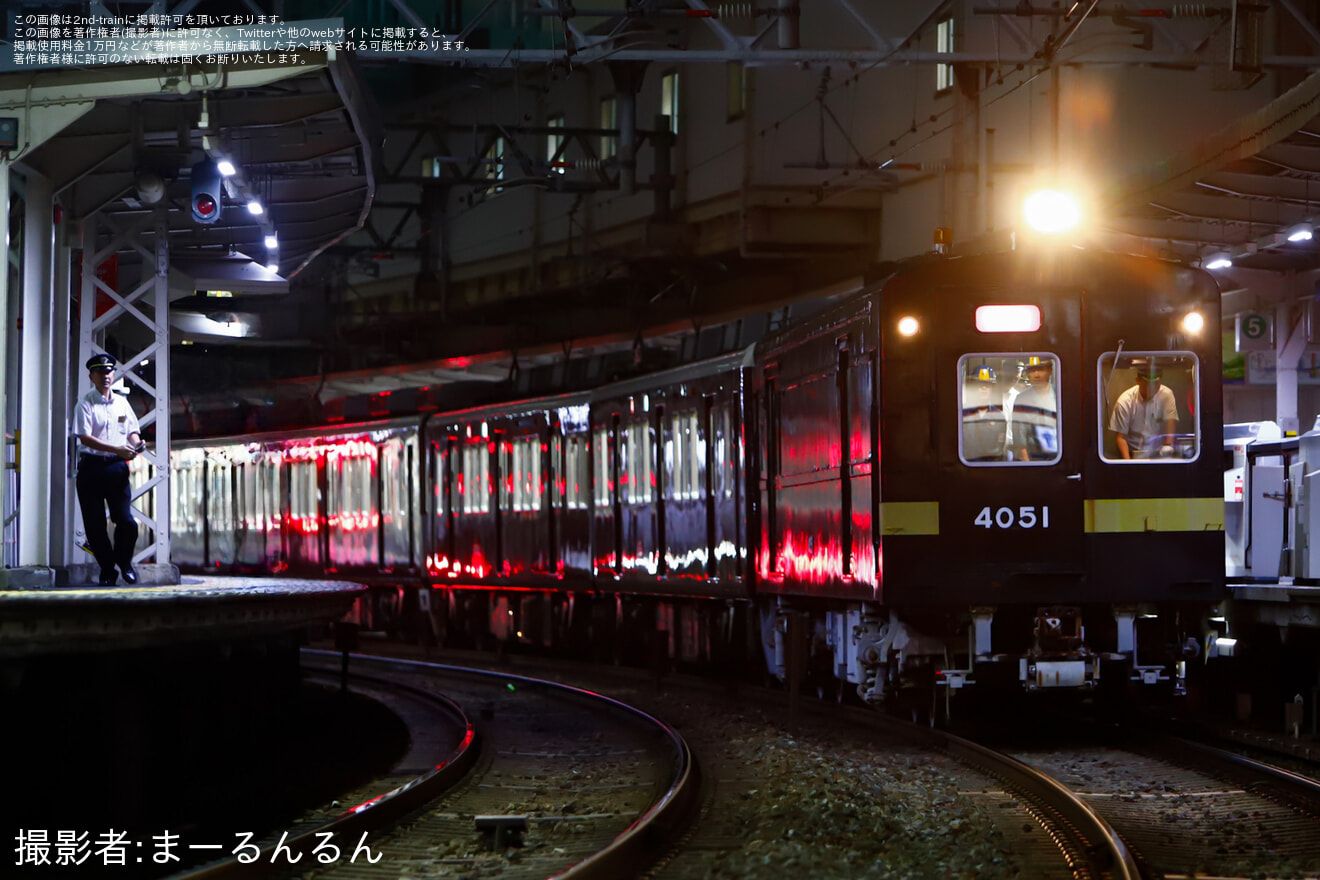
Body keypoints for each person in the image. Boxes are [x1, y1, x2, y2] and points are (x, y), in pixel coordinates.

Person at [73, 353, 144, 586]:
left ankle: (124, 563)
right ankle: (107, 570)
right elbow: (85, 438)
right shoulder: (85, 403)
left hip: (116, 469)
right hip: (91, 469)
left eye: (109, 371)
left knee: (126, 521)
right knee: (94, 526)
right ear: (91, 376)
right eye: (101, 372)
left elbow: (132, 430)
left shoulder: (122, 403)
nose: (106, 376)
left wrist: (136, 443)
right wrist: (118, 448)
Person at [1108, 360, 1178, 460]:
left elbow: (1170, 426)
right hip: (1131, 452)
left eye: (1156, 385)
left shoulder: (1166, 395)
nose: (1152, 389)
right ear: (1138, 380)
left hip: (1157, 452)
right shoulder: (1125, 401)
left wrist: (1166, 452)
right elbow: (1121, 437)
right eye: (1148, 385)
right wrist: (1129, 465)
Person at [1012, 359, 1059, 461]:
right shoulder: (1022, 399)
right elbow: (1020, 440)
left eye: (1040, 369)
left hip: (1059, 459)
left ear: (1050, 370)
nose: (1036, 375)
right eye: (1032, 370)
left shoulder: (1059, 395)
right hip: (1033, 459)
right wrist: (1029, 467)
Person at [961, 365, 1008, 461]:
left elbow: (999, 450)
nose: (983, 388)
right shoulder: (962, 413)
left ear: (992, 388)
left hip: (989, 468)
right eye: (979, 384)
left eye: (987, 385)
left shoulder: (999, 416)